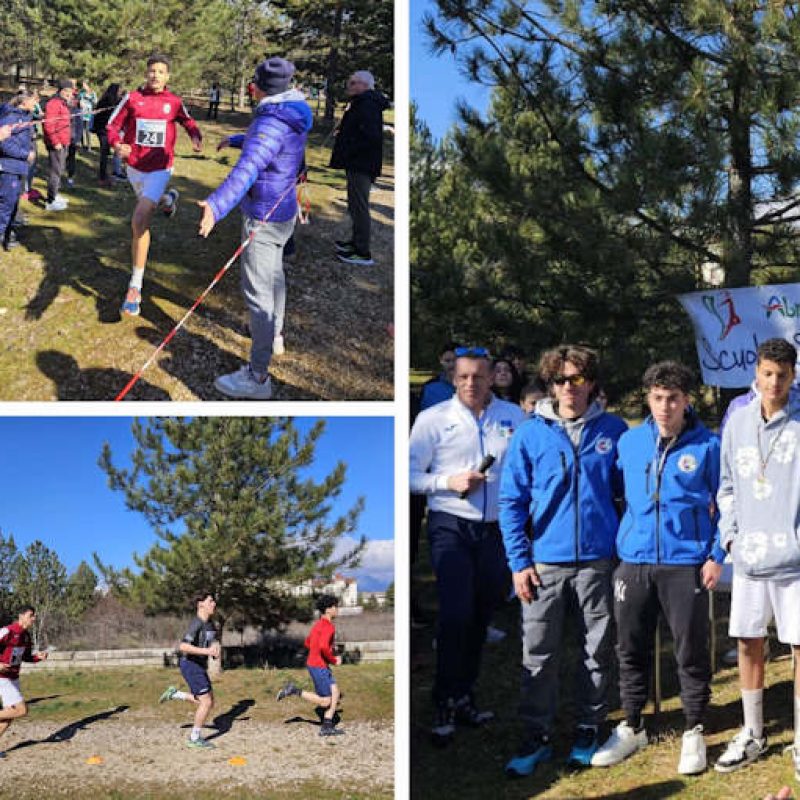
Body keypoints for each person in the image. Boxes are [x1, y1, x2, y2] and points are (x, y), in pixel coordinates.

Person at [498, 345, 627, 775]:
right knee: (538, 654)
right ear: (549, 385)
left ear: (591, 382)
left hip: (597, 560)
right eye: (560, 380)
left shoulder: (614, 429)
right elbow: (511, 501)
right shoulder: (530, 433)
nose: (568, 388)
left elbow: (631, 493)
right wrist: (519, 561)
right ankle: (537, 734)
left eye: (577, 379)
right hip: (544, 563)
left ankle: (589, 727)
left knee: (597, 649)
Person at [590, 361, 724, 774]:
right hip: (634, 561)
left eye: (673, 399)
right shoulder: (629, 443)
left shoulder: (707, 446)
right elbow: (609, 491)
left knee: (690, 650)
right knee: (629, 646)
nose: (665, 407)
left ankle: (694, 728)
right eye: (657, 398)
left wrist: (716, 554)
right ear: (648, 399)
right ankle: (632, 724)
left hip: (686, 563)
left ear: (686, 401)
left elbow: (729, 503)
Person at [410, 346, 525, 745]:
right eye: (463, 377)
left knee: (481, 614)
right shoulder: (433, 419)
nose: (471, 384)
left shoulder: (512, 417)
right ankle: (442, 699)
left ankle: (465, 695)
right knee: (456, 616)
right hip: (450, 525)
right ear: (453, 379)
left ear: (492, 376)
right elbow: (408, 474)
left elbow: (525, 468)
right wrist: (447, 482)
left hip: (496, 529)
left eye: (478, 376)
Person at [198, 57, 311, 400]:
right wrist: (235, 138)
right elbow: (272, 147)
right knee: (274, 278)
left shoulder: (270, 121)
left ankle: (257, 377)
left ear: (258, 88)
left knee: (258, 294)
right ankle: (275, 334)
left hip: (263, 216)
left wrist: (216, 206)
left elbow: (248, 167)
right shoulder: (293, 111)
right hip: (283, 212)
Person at [714, 338, 800, 777]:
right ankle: (753, 731)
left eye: (782, 375)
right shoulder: (737, 422)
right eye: (768, 373)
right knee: (749, 641)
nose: (774, 383)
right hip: (748, 557)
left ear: (793, 375)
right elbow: (726, 486)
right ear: (757, 371)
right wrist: (730, 538)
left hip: (795, 562)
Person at [107, 53, 202, 316]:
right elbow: (112, 125)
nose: (155, 75)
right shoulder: (132, 99)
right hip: (135, 167)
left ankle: (135, 286)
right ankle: (168, 200)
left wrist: (195, 136)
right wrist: (117, 145)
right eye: (152, 71)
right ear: (146, 73)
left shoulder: (173, 102)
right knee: (148, 205)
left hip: (160, 167)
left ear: (167, 76)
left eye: (161, 71)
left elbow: (188, 121)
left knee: (139, 219)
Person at [330, 70, 389, 266]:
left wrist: (349, 145)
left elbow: (370, 136)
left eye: (353, 82)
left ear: (365, 85)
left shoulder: (368, 105)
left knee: (360, 206)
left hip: (361, 163)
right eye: (350, 81)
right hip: (357, 162)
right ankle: (355, 243)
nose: (349, 85)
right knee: (354, 205)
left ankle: (363, 252)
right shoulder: (361, 103)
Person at [158, 591, 220, 749]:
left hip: (199, 665)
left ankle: (175, 694)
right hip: (190, 665)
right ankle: (194, 738)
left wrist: (214, 650)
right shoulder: (196, 623)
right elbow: (183, 646)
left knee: (207, 702)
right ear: (201, 604)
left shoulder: (210, 624)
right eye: (210, 601)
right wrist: (207, 652)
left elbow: (211, 643)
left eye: (214, 601)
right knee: (206, 702)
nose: (214, 604)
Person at [276, 594, 345, 736]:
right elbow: (323, 647)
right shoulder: (328, 626)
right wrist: (334, 659)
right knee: (326, 702)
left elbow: (308, 642)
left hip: (318, 663)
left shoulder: (318, 625)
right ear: (328, 609)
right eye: (335, 607)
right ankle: (294, 690)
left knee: (335, 692)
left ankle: (326, 726)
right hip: (318, 666)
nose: (337, 609)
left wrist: (323, 652)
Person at [0, 606, 49, 752]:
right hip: (2, 677)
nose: (34, 619)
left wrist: (37, 658)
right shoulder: (7, 631)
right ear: (21, 616)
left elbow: (25, 657)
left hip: (13, 678)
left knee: (7, 719)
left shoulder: (26, 636)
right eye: (31, 615)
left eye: (34, 616)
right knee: (22, 710)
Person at [0, 88, 38, 251]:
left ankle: (9, 235)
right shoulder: (11, 118)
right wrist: (25, 154)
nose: (37, 103)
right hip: (9, 167)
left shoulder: (25, 117)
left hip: (18, 168)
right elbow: (4, 144)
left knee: (13, 203)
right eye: (34, 100)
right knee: (6, 204)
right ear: (24, 102)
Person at [42, 78, 75, 212]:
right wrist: (56, 142)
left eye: (71, 91)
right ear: (60, 91)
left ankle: (55, 194)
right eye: (66, 91)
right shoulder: (53, 103)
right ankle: (50, 201)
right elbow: (49, 125)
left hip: (64, 142)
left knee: (60, 169)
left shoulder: (64, 103)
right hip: (56, 144)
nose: (69, 94)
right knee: (55, 171)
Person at [94, 83, 123, 186]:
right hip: (104, 130)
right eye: (119, 91)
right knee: (104, 154)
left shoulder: (108, 100)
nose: (120, 92)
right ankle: (102, 177)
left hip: (104, 130)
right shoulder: (109, 102)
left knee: (108, 153)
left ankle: (109, 174)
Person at [418, 342, 458, 411]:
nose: (451, 365)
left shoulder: (472, 386)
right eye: (447, 361)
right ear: (440, 360)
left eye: (455, 360)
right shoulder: (429, 388)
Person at [78, 81, 96, 150]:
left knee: (88, 130)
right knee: (81, 129)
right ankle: (82, 145)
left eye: (84, 85)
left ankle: (89, 146)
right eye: (83, 85)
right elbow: (78, 101)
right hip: (82, 113)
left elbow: (95, 103)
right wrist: (79, 103)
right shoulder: (81, 93)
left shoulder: (93, 93)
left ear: (88, 85)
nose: (83, 86)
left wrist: (90, 98)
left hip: (88, 113)